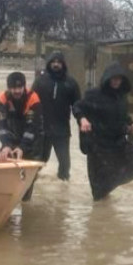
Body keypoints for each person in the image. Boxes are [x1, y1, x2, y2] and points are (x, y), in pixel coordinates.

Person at [73, 62, 133, 201]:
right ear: (107, 79)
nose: (116, 82)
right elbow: (78, 107)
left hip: (116, 143)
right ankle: (99, 213)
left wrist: (131, 123)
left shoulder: (121, 97)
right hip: (98, 146)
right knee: (99, 188)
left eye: (119, 79)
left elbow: (124, 115)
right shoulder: (94, 95)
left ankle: (106, 204)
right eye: (113, 79)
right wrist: (82, 119)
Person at [32, 51, 81, 181]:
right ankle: (31, 185)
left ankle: (63, 192)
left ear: (63, 64)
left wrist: (82, 120)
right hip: (43, 129)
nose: (56, 64)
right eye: (53, 62)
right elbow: (31, 102)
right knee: (38, 162)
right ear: (49, 64)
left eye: (59, 62)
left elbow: (77, 105)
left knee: (65, 165)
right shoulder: (40, 81)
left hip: (62, 131)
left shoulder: (71, 83)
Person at [0, 71, 44, 201]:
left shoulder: (33, 99)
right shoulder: (3, 99)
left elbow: (32, 128)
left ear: (24, 86)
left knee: (27, 184)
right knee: (6, 169)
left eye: (19, 87)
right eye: (13, 88)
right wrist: (6, 145)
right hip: (12, 137)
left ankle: (25, 200)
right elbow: (1, 125)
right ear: (8, 88)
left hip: (33, 141)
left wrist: (22, 147)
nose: (16, 91)